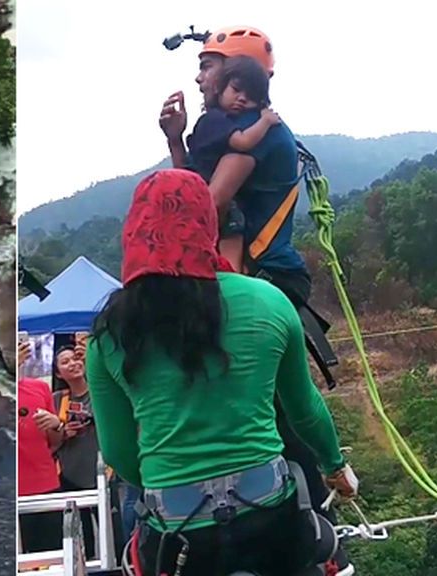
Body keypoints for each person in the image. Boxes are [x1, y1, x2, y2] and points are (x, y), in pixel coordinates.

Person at [86, 169, 358, 576]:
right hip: (272, 520)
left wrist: (174, 481)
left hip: (176, 536)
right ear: (207, 225)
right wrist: (335, 466)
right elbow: (305, 410)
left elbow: (120, 451)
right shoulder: (268, 301)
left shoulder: (108, 334)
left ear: (136, 231)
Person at [157, 26, 351, 575]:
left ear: (239, 74)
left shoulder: (251, 130)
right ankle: (293, 535)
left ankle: (308, 539)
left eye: (208, 65)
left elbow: (203, 207)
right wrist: (176, 142)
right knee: (265, 409)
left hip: (262, 281)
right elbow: (196, 191)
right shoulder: (232, 128)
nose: (199, 76)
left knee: (270, 412)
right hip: (254, 281)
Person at [184, 55, 282, 269]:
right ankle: (234, 272)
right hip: (206, 191)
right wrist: (266, 121)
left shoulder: (215, 120)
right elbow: (243, 142)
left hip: (194, 189)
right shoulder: (218, 121)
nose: (242, 99)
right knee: (233, 229)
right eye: (236, 90)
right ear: (222, 86)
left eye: (251, 97)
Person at [33, 344, 100, 559]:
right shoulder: (56, 400)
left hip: (104, 473)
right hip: (70, 475)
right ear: (58, 372)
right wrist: (62, 430)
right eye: (65, 362)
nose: (72, 364)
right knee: (82, 538)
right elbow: (50, 444)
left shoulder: (101, 392)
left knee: (114, 534)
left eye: (75, 358)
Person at [17, 338, 64, 553]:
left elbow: (55, 442)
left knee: (52, 551)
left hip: (45, 484)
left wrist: (56, 425)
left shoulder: (40, 387)